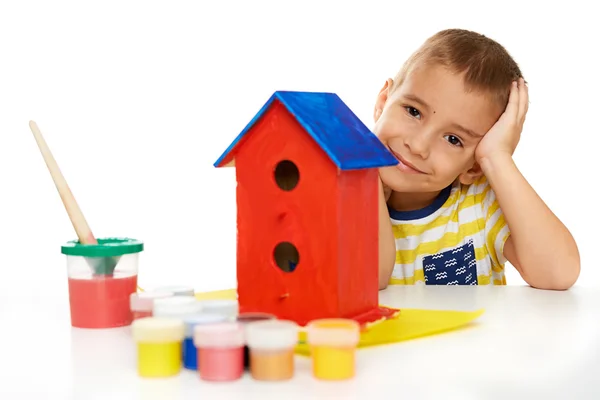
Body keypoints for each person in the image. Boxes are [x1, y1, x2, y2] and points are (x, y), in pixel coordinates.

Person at [375, 29, 580, 290]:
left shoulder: (479, 205)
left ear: (473, 167)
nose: (418, 146)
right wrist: (367, 188)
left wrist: (496, 158)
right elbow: (366, 280)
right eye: (413, 111)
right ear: (383, 101)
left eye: (453, 139)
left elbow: (559, 273)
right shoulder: (333, 195)